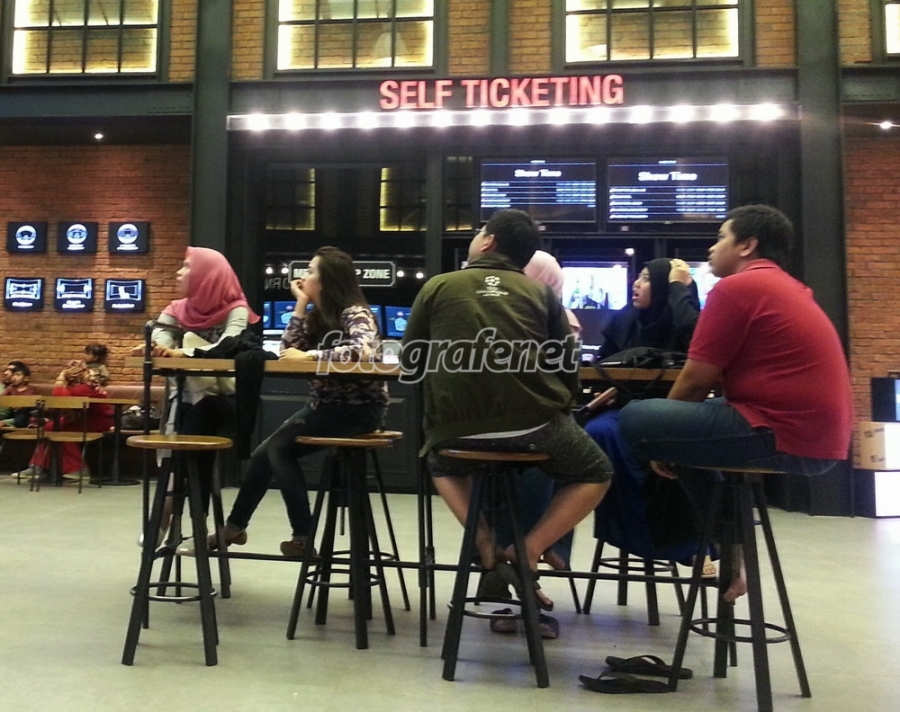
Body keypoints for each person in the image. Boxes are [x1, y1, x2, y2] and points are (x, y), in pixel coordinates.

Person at [619, 205, 853, 601]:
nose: (712, 248)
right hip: (813, 436)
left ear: (747, 245)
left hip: (782, 432)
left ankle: (727, 550)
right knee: (682, 440)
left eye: (720, 238)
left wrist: (660, 437)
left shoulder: (737, 288)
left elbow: (696, 380)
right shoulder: (788, 287)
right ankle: (729, 552)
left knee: (636, 417)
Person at [401, 209, 613, 610]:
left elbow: (411, 363)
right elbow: (567, 365)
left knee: (439, 461)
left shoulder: (437, 286)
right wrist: (562, 404)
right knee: (597, 471)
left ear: (488, 242)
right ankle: (530, 548)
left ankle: (484, 542)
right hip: (532, 425)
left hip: (455, 428)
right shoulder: (542, 295)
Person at [215, 246, 387, 557]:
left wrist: (311, 356)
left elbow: (364, 351)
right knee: (263, 454)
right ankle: (235, 528)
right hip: (325, 408)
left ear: (327, 280)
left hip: (359, 410)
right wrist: (300, 305)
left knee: (279, 448)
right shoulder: (317, 317)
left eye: (310, 271)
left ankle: (302, 538)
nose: (303, 276)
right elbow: (287, 351)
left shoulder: (356, 313)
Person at [583, 257, 705, 566]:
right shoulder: (624, 320)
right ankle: (627, 530)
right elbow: (602, 365)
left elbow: (697, 346)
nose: (636, 284)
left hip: (676, 412)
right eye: (638, 277)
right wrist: (601, 391)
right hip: (622, 410)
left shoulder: (688, 322)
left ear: (666, 287)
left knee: (681, 444)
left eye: (647, 279)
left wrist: (679, 290)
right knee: (598, 431)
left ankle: (687, 542)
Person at [133, 246, 260, 542]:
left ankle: (164, 516)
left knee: (197, 422)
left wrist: (181, 352)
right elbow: (160, 339)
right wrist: (160, 348)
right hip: (185, 403)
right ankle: (199, 528)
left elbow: (227, 348)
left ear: (208, 275)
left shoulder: (236, 309)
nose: (179, 272)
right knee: (193, 438)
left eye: (187, 266)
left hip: (224, 402)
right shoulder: (176, 309)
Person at [25, 362, 113, 480]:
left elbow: (61, 398)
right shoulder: (75, 387)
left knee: (63, 432)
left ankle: (79, 469)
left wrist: (61, 378)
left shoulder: (83, 388)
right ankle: (38, 466)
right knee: (50, 427)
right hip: (81, 420)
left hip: (96, 421)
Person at [1, 362, 39, 429]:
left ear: (26, 378)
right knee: (20, 417)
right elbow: (2, 398)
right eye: (13, 375)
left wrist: (23, 403)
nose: (14, 377)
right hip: (17, 413)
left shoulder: (32, 389)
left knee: (31, 405)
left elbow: (37, 400)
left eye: (18, 375)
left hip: (29, 411)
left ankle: (34, 422)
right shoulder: (10, 388)